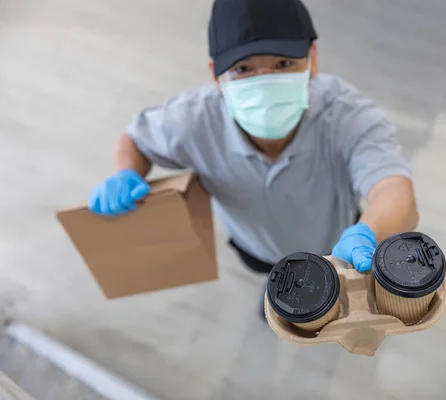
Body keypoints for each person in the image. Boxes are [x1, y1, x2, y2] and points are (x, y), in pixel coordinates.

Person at [88, 0, 419, 315]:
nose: (264, 85)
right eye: (243, 69)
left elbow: (392, 189)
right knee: (275, 278)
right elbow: (136, 139)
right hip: (257, 247)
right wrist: (125, 173)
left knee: (330, 295)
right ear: (216, 76)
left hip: (339, 245)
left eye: (283, 64)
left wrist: (370, 233)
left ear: (312, 59)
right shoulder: (193, 120)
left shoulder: (347, 115)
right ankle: (276, 287)